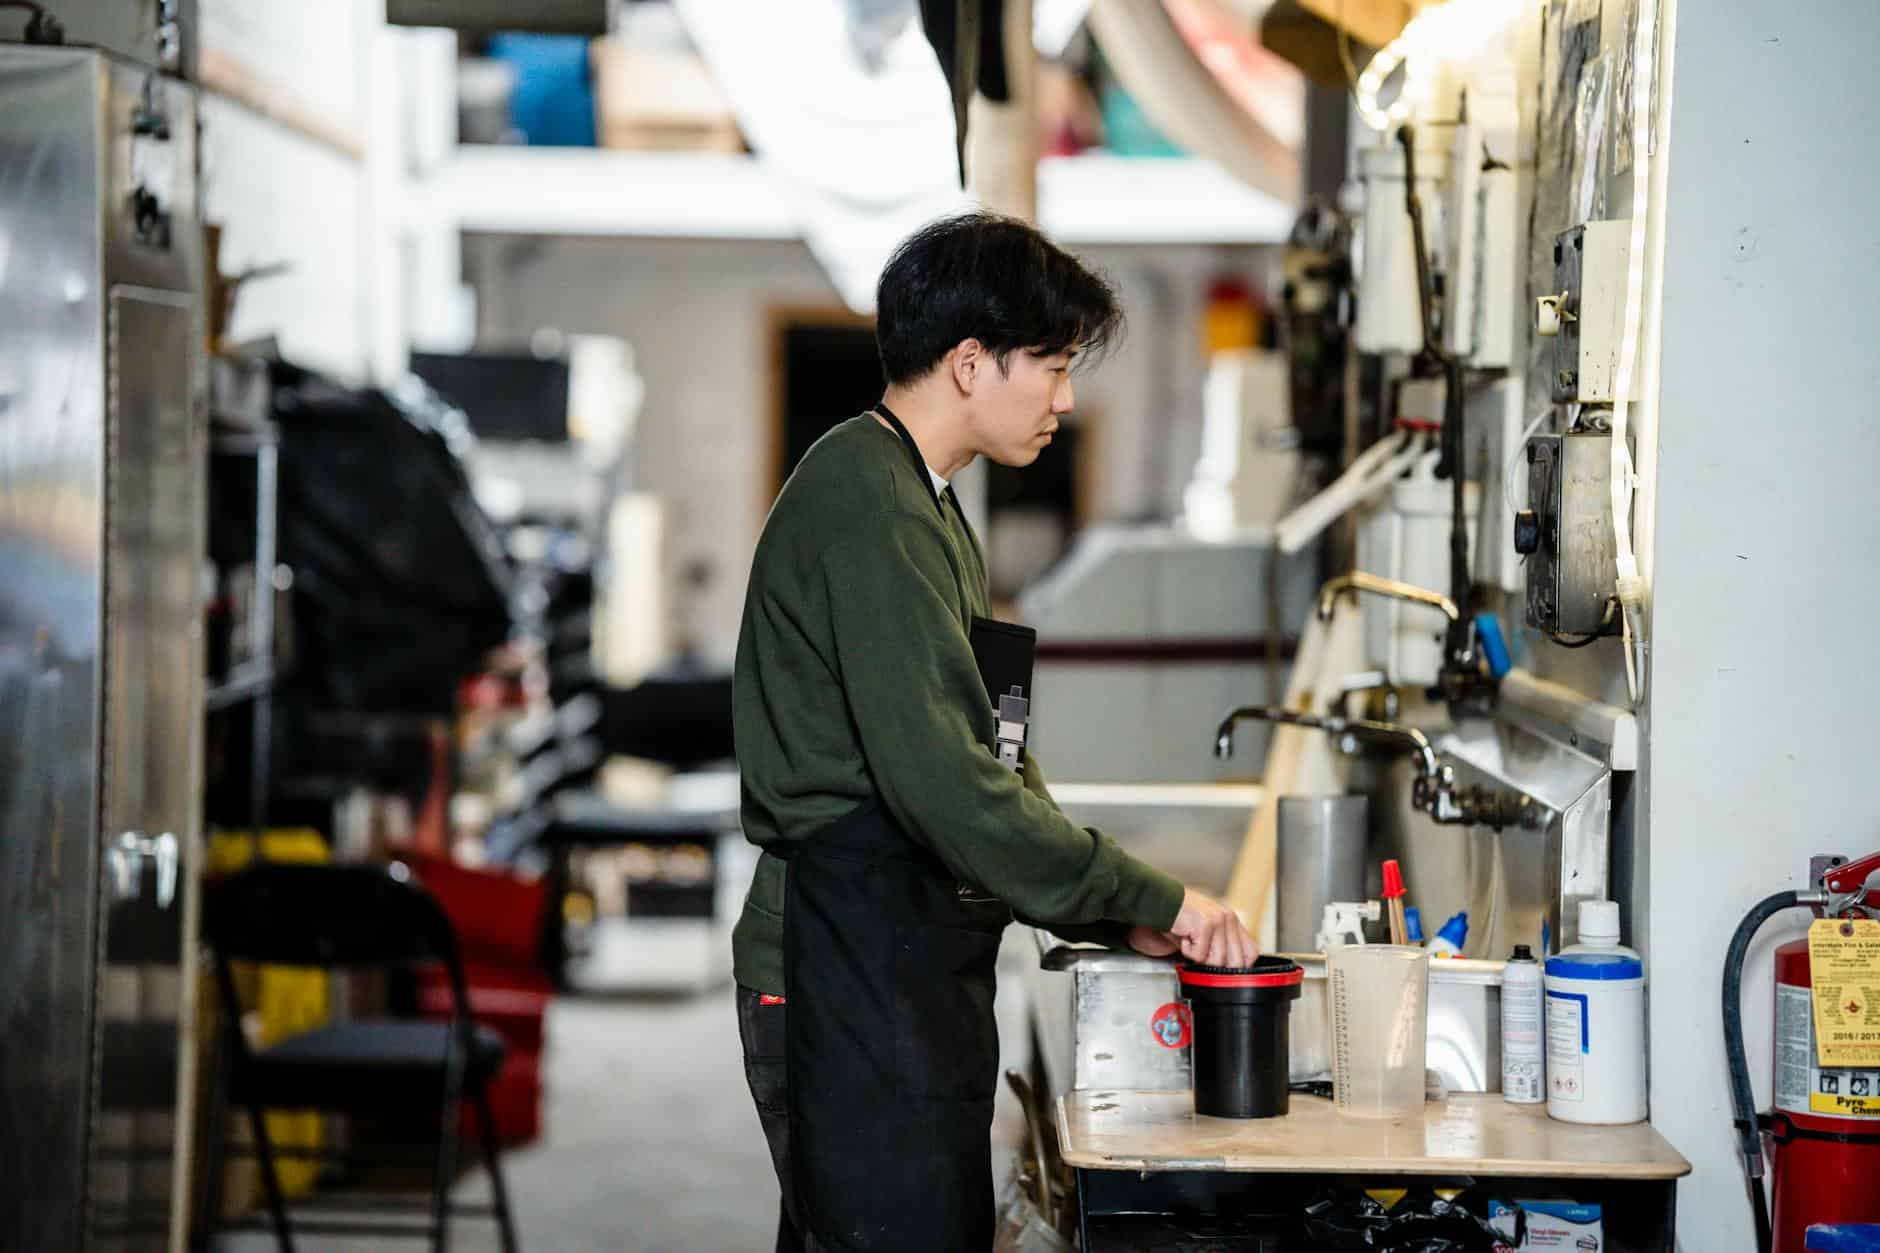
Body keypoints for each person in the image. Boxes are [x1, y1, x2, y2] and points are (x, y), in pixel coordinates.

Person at [730, 211, 1257, 1252]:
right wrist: (1148, 893)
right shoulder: (868, 504)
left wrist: (1114, 912)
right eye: (1051, 366)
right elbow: (950, 790)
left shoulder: (923, 505)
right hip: (847, 952)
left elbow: (993, 756)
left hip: (896, 952)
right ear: (969, 363)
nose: (1066, 399)